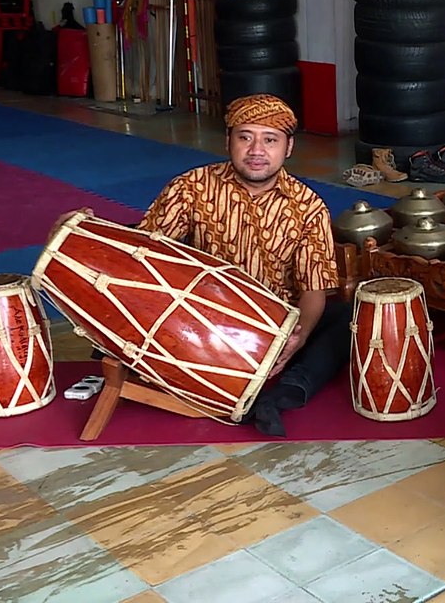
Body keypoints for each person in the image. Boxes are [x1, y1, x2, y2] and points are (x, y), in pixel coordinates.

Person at [138, 94, 348, 436]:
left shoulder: (309, 207)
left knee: (347, 318)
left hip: (278, 325)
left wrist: (299, 336)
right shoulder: (190, 188)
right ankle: (251, 388)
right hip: (204, 323)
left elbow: (313, 288)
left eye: (270, 140)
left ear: (288, 147)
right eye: (245, 137)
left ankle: (284, 392)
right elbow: (148, 254)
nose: (256, 150)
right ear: (228, 141)